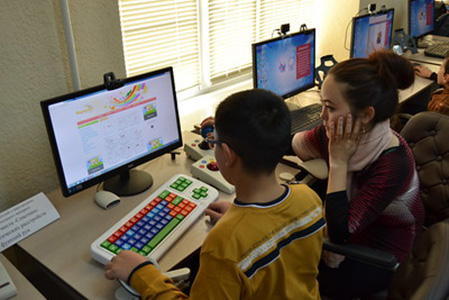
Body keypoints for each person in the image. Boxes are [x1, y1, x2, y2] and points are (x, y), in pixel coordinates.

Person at [104, 89, 325, 299]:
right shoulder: (308, 197)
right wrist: (240, 220)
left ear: (227, 154)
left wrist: (142, 274)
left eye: (214, 142)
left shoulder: (223, 247)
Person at [291, 50, 425, 299]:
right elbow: (291, 143)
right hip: (356, 233)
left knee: (289, 271)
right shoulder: (339, 133)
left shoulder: (393, 163)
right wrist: (236, 130)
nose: (322, 117)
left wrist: (339, 162)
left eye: (329, 107)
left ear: (366, 114)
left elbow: (341, 230)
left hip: (380, 254)